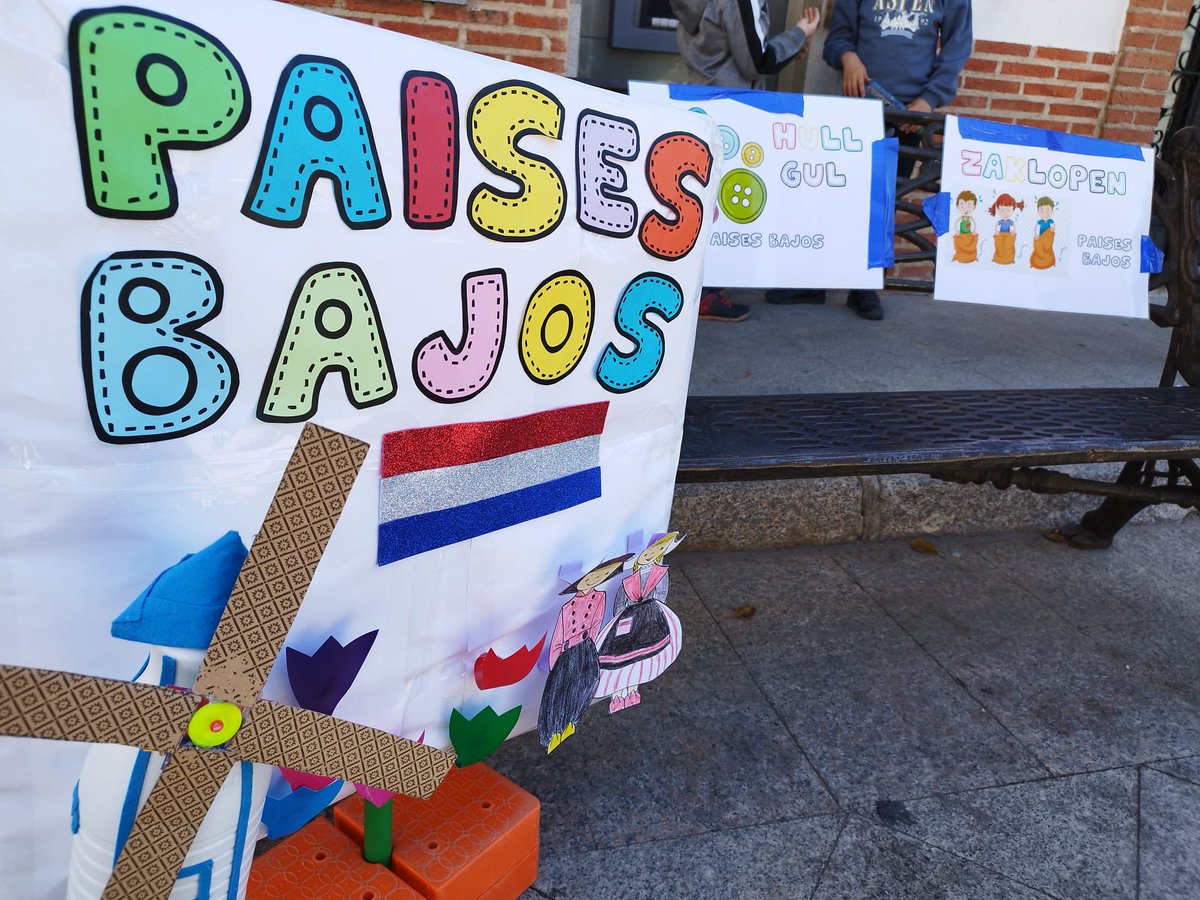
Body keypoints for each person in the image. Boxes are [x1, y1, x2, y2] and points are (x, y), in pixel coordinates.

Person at [793, 0, 973, 320]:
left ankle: (864, 287)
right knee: (838, 194)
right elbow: (837, 39)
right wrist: (848, 58)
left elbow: (956, 48)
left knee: (883, 203)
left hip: (907, 115)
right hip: (858, 107)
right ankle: (814, 281)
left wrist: (928, 101)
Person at [672, 0, 821, 321]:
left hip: (699, 101)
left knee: (702, 200)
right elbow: (756, 63)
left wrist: (784, 51)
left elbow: (728, 47)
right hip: (732, 109)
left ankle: (694, 287)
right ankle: (703, 294)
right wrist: (799, 33)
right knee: (722, 204)